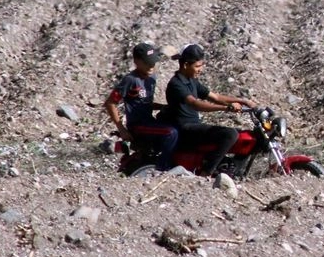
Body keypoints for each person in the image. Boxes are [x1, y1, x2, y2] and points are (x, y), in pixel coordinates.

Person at [159, 43, 258, 177]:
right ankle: (206, 174)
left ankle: (234, 171)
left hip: (194, 126)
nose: (201, 69)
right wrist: (226, 108)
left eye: (201, 65)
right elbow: (196, 104)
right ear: (185, 65)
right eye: (197, 66)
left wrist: (243, 101)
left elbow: (215, 96)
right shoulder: (177, 84)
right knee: (229, 134)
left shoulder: (192, 80)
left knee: (243, 135)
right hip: (186, 129)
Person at [103, 42, 182, 174]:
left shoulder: (151, 78)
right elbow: (110, 103)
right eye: (147, 62)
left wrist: (165, 107)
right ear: (137, 61)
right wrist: (122, 129)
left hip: (150, 121)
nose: (151, 66)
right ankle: (163, 169)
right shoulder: (130, 80)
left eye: (153, 62)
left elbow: (145, 103)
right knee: (171, 133)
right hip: (138, 125)